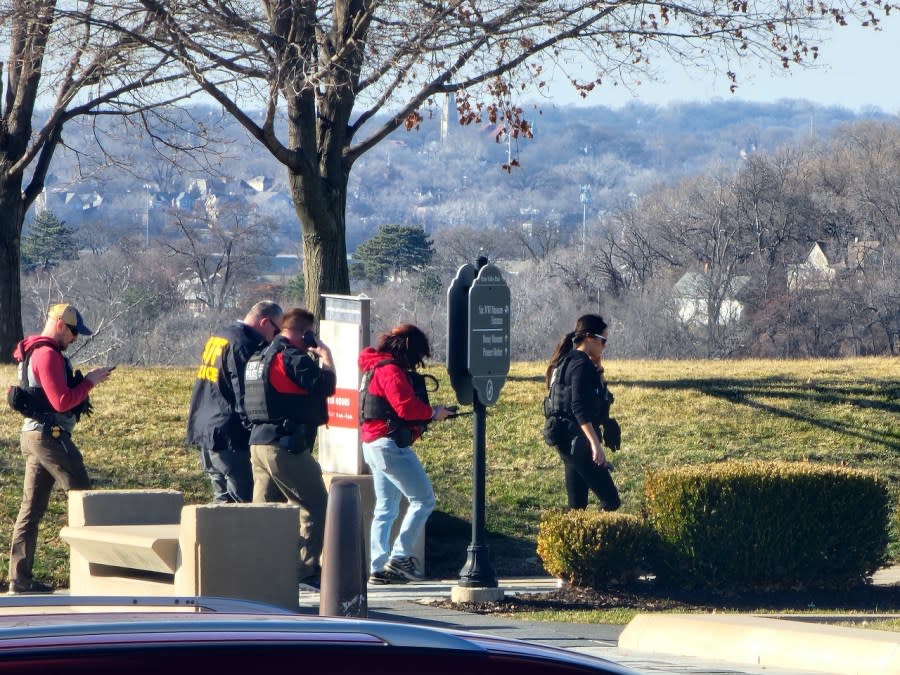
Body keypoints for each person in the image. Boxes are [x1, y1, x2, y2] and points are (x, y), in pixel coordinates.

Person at [8, 303, 114, 594]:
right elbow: (61, 402)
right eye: (73, 331)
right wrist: (89, 382)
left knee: (31, 509)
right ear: (59, 324)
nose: (75, 338)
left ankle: (20, 578)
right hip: (49, 437)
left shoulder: (32, 351)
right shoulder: (47, 354)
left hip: (32, 435)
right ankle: (102, 572)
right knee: (84, 495)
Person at [243, 308, 336, 586]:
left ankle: (261, 569)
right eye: (311, 333)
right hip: (285, 444)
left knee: (264, 511)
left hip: (258, 442)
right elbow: (325, 385)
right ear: (304, 333)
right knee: (315, 505)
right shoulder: (293, 357)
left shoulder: (258, 357)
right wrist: (327, 359)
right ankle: (305, 569)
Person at [359, 324, 454, 585]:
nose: (416, 365)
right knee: (424, 500)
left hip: (371, 444)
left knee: (386, 508)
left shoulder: (372, 368)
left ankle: (378, 568)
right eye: (417, 358)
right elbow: (406, 408)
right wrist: (434, 412)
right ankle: (400, 556)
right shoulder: (391, 370)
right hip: (390, 445)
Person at [186, 301, 284, 504]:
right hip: (230, 433)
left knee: (221, 499)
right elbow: (245, 393)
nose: (275, 337)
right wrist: (254, 429)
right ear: (265, 322)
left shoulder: (222, 335)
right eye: (277, 331)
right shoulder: (245, 344)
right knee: (241, 503)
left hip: (205, 427)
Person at [543, 314, 621, 512]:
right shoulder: (580, 365)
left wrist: (599, 366)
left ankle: (575, 539)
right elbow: (578, 407)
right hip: (578, 440)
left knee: (577, 507)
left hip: (564, 440)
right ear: (589, 337)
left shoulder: (565, 361)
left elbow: (601, 395)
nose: (604, 346)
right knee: (610, 500)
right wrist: (595, 446)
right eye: (603, 341)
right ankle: (601, 540)